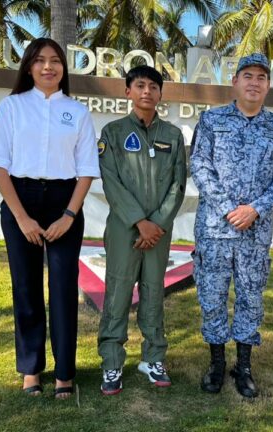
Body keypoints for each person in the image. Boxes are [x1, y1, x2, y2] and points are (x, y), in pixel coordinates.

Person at [0, 38, 100, 400]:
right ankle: (31, 369)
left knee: (64, 289)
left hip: (65, 201)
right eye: (40, 61)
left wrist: (69, 214)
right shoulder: (12, 107)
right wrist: (21, 217)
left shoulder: (77, 112)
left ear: (64, 68)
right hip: (21, 199)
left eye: (56, 61)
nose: (49, 67)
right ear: (29, 66)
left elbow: (86, 170)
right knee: (26, 287)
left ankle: (65, 372)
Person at [190, 53, 273, 398]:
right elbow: (200, 167)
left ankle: (244, 366)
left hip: (255, 232)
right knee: (212, 296)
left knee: (251, 297)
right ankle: (217, 363)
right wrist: (227, 209)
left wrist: (256, 208)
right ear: (235, 82)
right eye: (247, 75)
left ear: (268, 86)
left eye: (261, 77)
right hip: (215, 230)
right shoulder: (211, 121)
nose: (254, 82)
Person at [97, 65, 187, 395]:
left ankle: (153, 358)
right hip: (124, 229)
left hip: (158, 233)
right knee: (118, 292)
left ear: (161, 94)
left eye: (153, 86)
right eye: (140, 85)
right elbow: (111, 181)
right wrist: (139, 222)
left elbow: (178, 184)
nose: (146, 91)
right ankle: (111, 362)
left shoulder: (173, 136)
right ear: (128, 92)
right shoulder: (113, 132)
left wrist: (157, 224)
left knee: (153, 293)